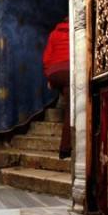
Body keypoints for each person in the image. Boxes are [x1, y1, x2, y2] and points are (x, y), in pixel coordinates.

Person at [42, 17, 71, 158]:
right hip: (68, 71)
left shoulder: (54, 33)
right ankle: (65, 149)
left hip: (54, 73)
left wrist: (49, 78)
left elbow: (46, 58)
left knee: (67, 94)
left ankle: (62, 98)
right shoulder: (77, 31)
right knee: (71, 109)